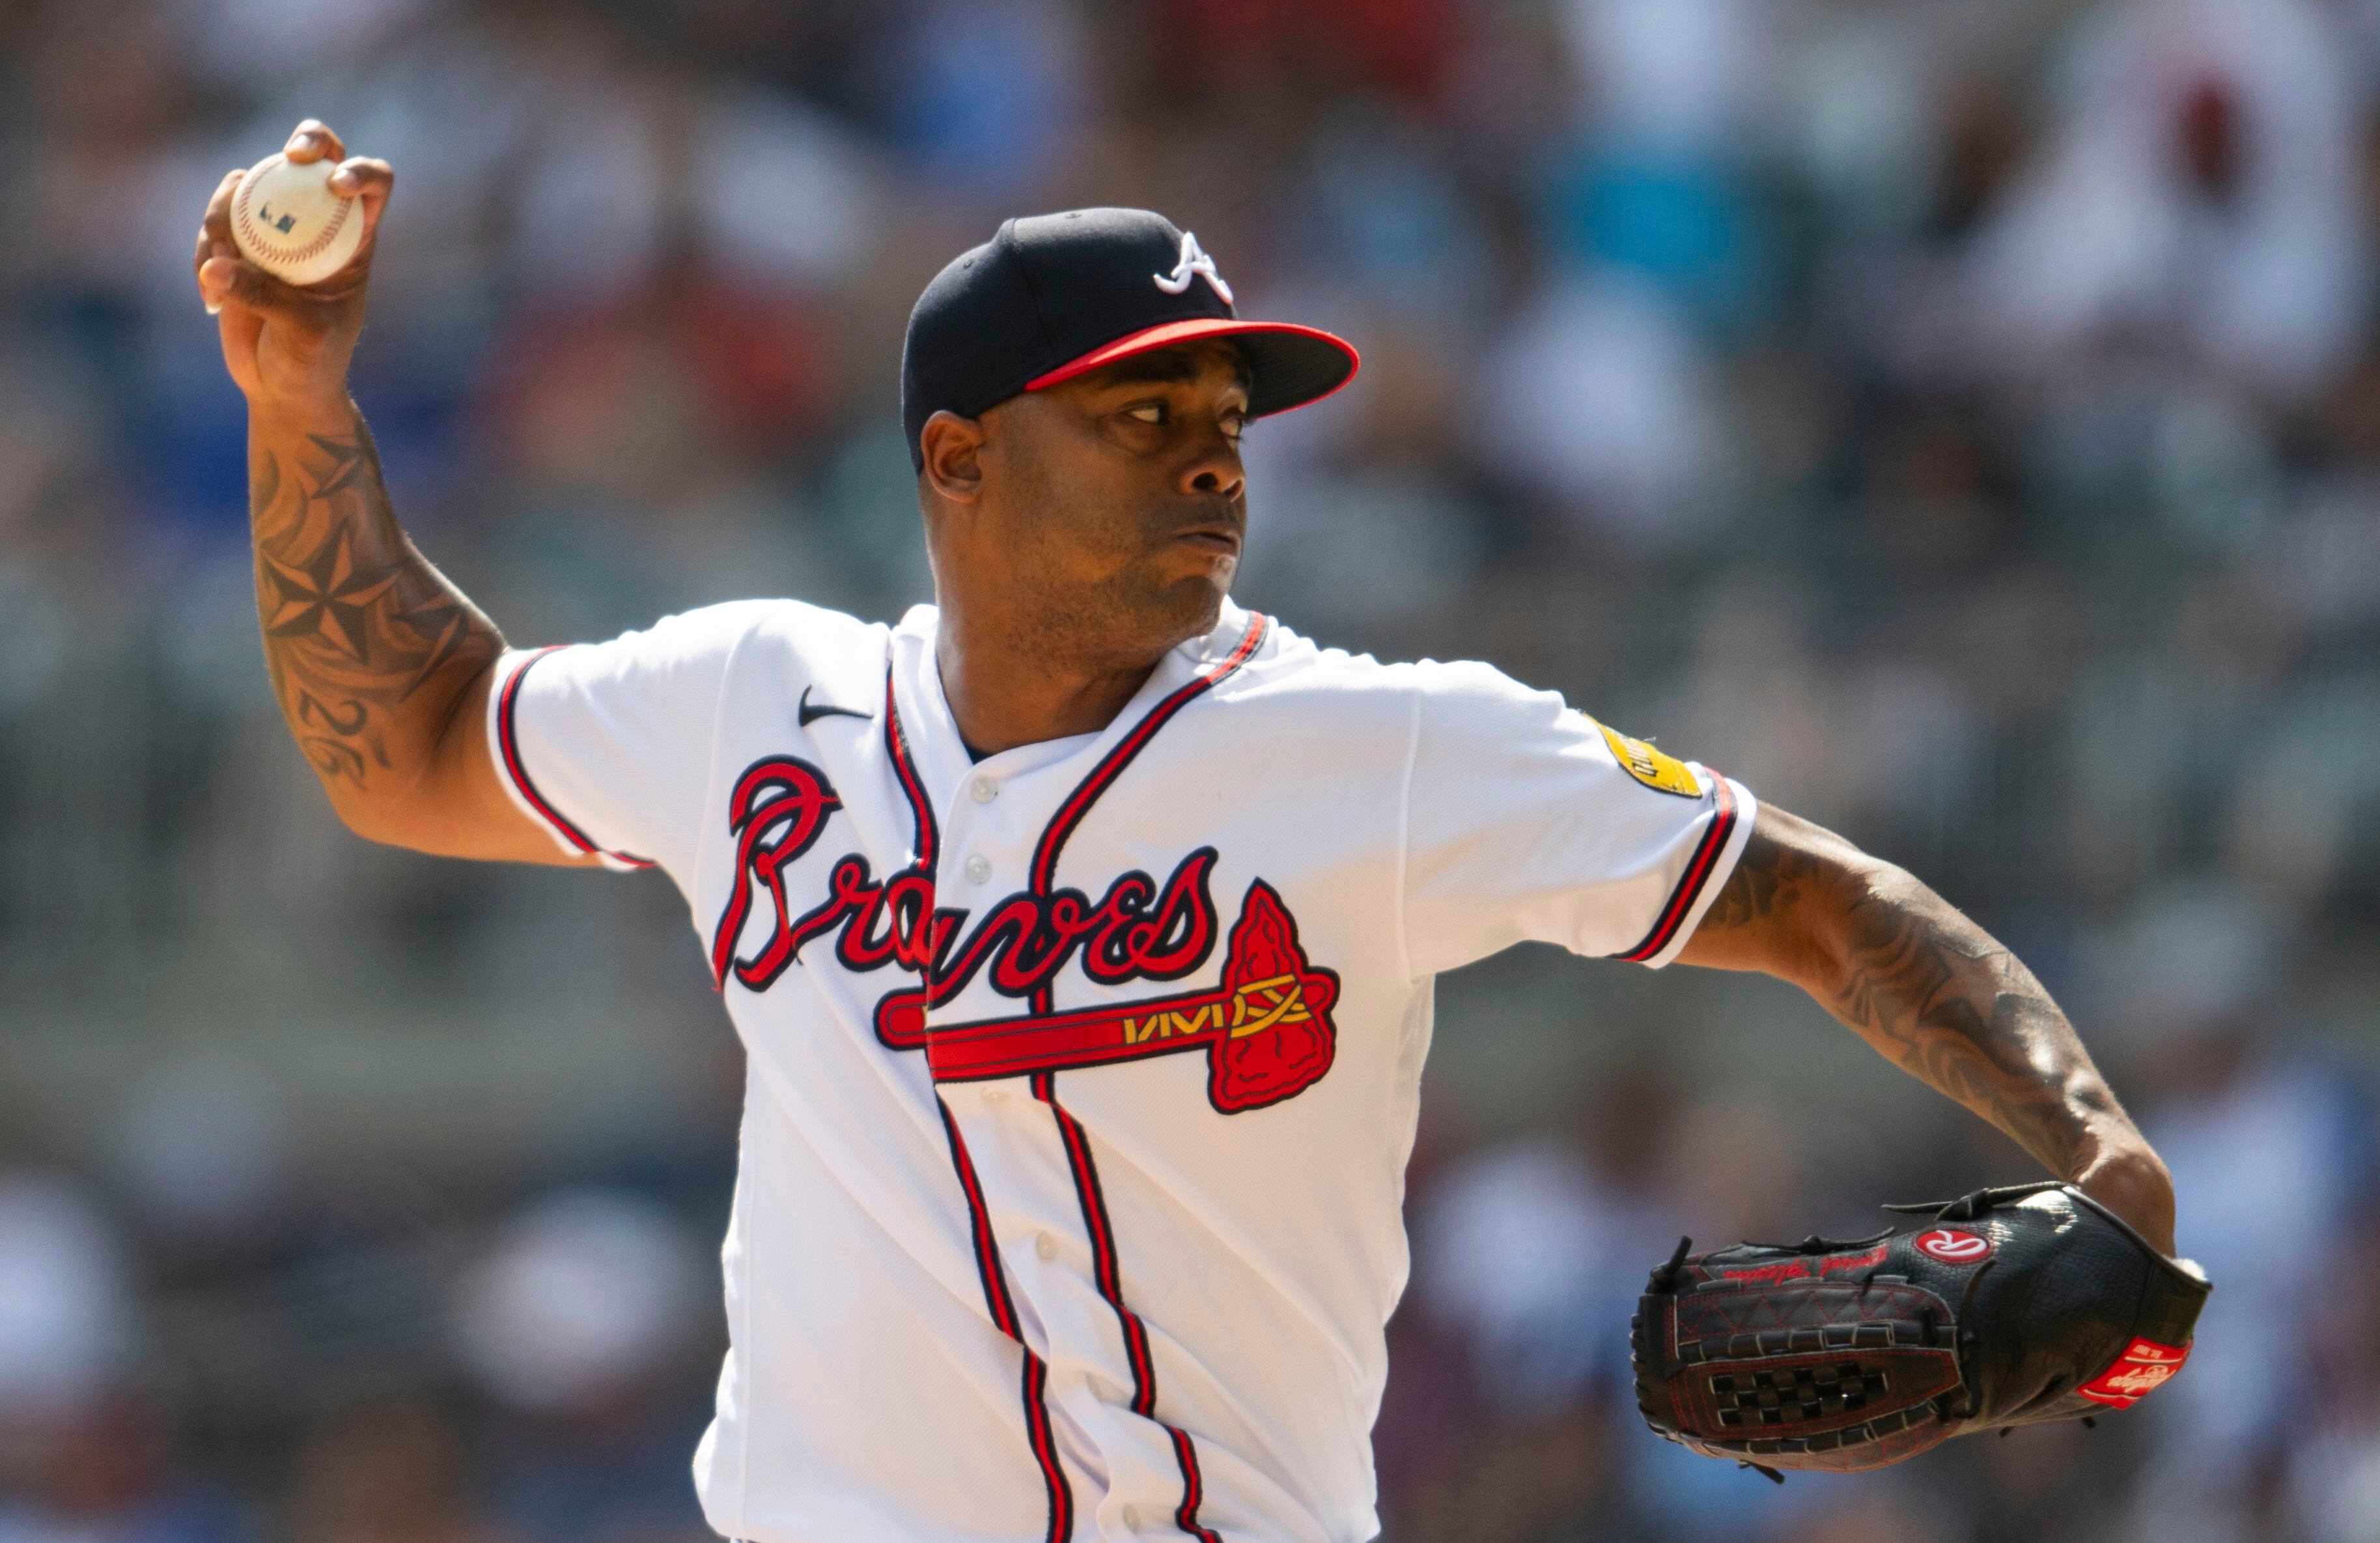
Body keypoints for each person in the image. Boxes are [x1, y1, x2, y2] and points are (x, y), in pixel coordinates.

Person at [193, 120, 2179, 1543]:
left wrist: (2097, 1149)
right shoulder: (752, 707)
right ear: (957, 461)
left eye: (1224, 408)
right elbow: (412, 740)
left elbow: (1822, 905)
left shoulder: (1381, 748)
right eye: (1138, 414)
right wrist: (300, 409)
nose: (1213, 449)